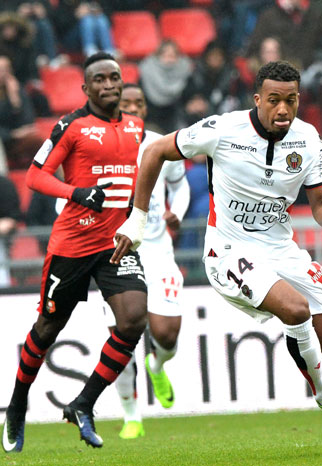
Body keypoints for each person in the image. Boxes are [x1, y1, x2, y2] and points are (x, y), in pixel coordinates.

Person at [113, 61, 322, 417]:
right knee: (295, 310)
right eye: (274, 100)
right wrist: (137, 222)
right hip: (229, 251)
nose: (283, 109)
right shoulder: (223, 129)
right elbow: (154, 152)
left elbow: (320, 212)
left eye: (291, 100)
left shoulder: (308, 138)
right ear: (257, 99)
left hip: (281, 249)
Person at [1, 52, 148, 453]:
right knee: (48, 330)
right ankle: (16, 405)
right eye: (98, 79)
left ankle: (83, 403)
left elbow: (135, 179)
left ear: (122, 82)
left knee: (134, 318)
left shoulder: (136, 127)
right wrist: (77, 193)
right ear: (86, 88)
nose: (108, 85)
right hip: (72, 246)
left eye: (114, 78)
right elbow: (34, 176)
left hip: (114, 245)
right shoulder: (71, 126)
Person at [104, 83, 190, 439]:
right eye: (128, 103)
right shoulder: (101, 147)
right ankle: (131, 417)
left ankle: (157, 364)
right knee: (121, 338)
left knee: (167, 334)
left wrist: (177, 214)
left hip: (157, 251)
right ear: (115, 106)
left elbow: (180, 186)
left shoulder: (157, 143)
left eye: (140, 103)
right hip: (116, 256)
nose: (135, 108)